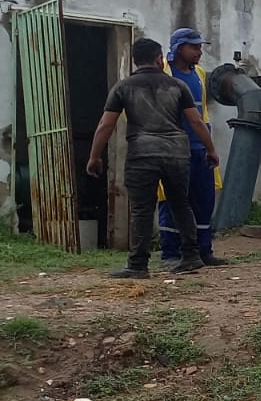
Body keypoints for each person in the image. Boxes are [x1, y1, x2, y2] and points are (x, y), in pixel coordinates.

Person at [86, 38, 218, 278]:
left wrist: (95, 156)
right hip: (177, 153)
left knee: (142, 209)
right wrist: (211, 149)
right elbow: (196, 121)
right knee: (181, 204)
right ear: (159, 58)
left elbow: (106, 125)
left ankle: (138, 264)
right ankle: (191, 256)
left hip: (142, 155)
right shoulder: (178, 85)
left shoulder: (123, 87)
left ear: (136, 60)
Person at [156, 28, 227, 267]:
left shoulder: (199, 74)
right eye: (193, 47)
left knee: (204, 200)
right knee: (172, 201)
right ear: (178, 48)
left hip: (199, 148)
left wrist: (209, 146)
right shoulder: (162, 72)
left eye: (200, 46)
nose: (199, 51)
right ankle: (170, 253)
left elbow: (201, 113)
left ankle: (204, 251)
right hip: (173, 149)